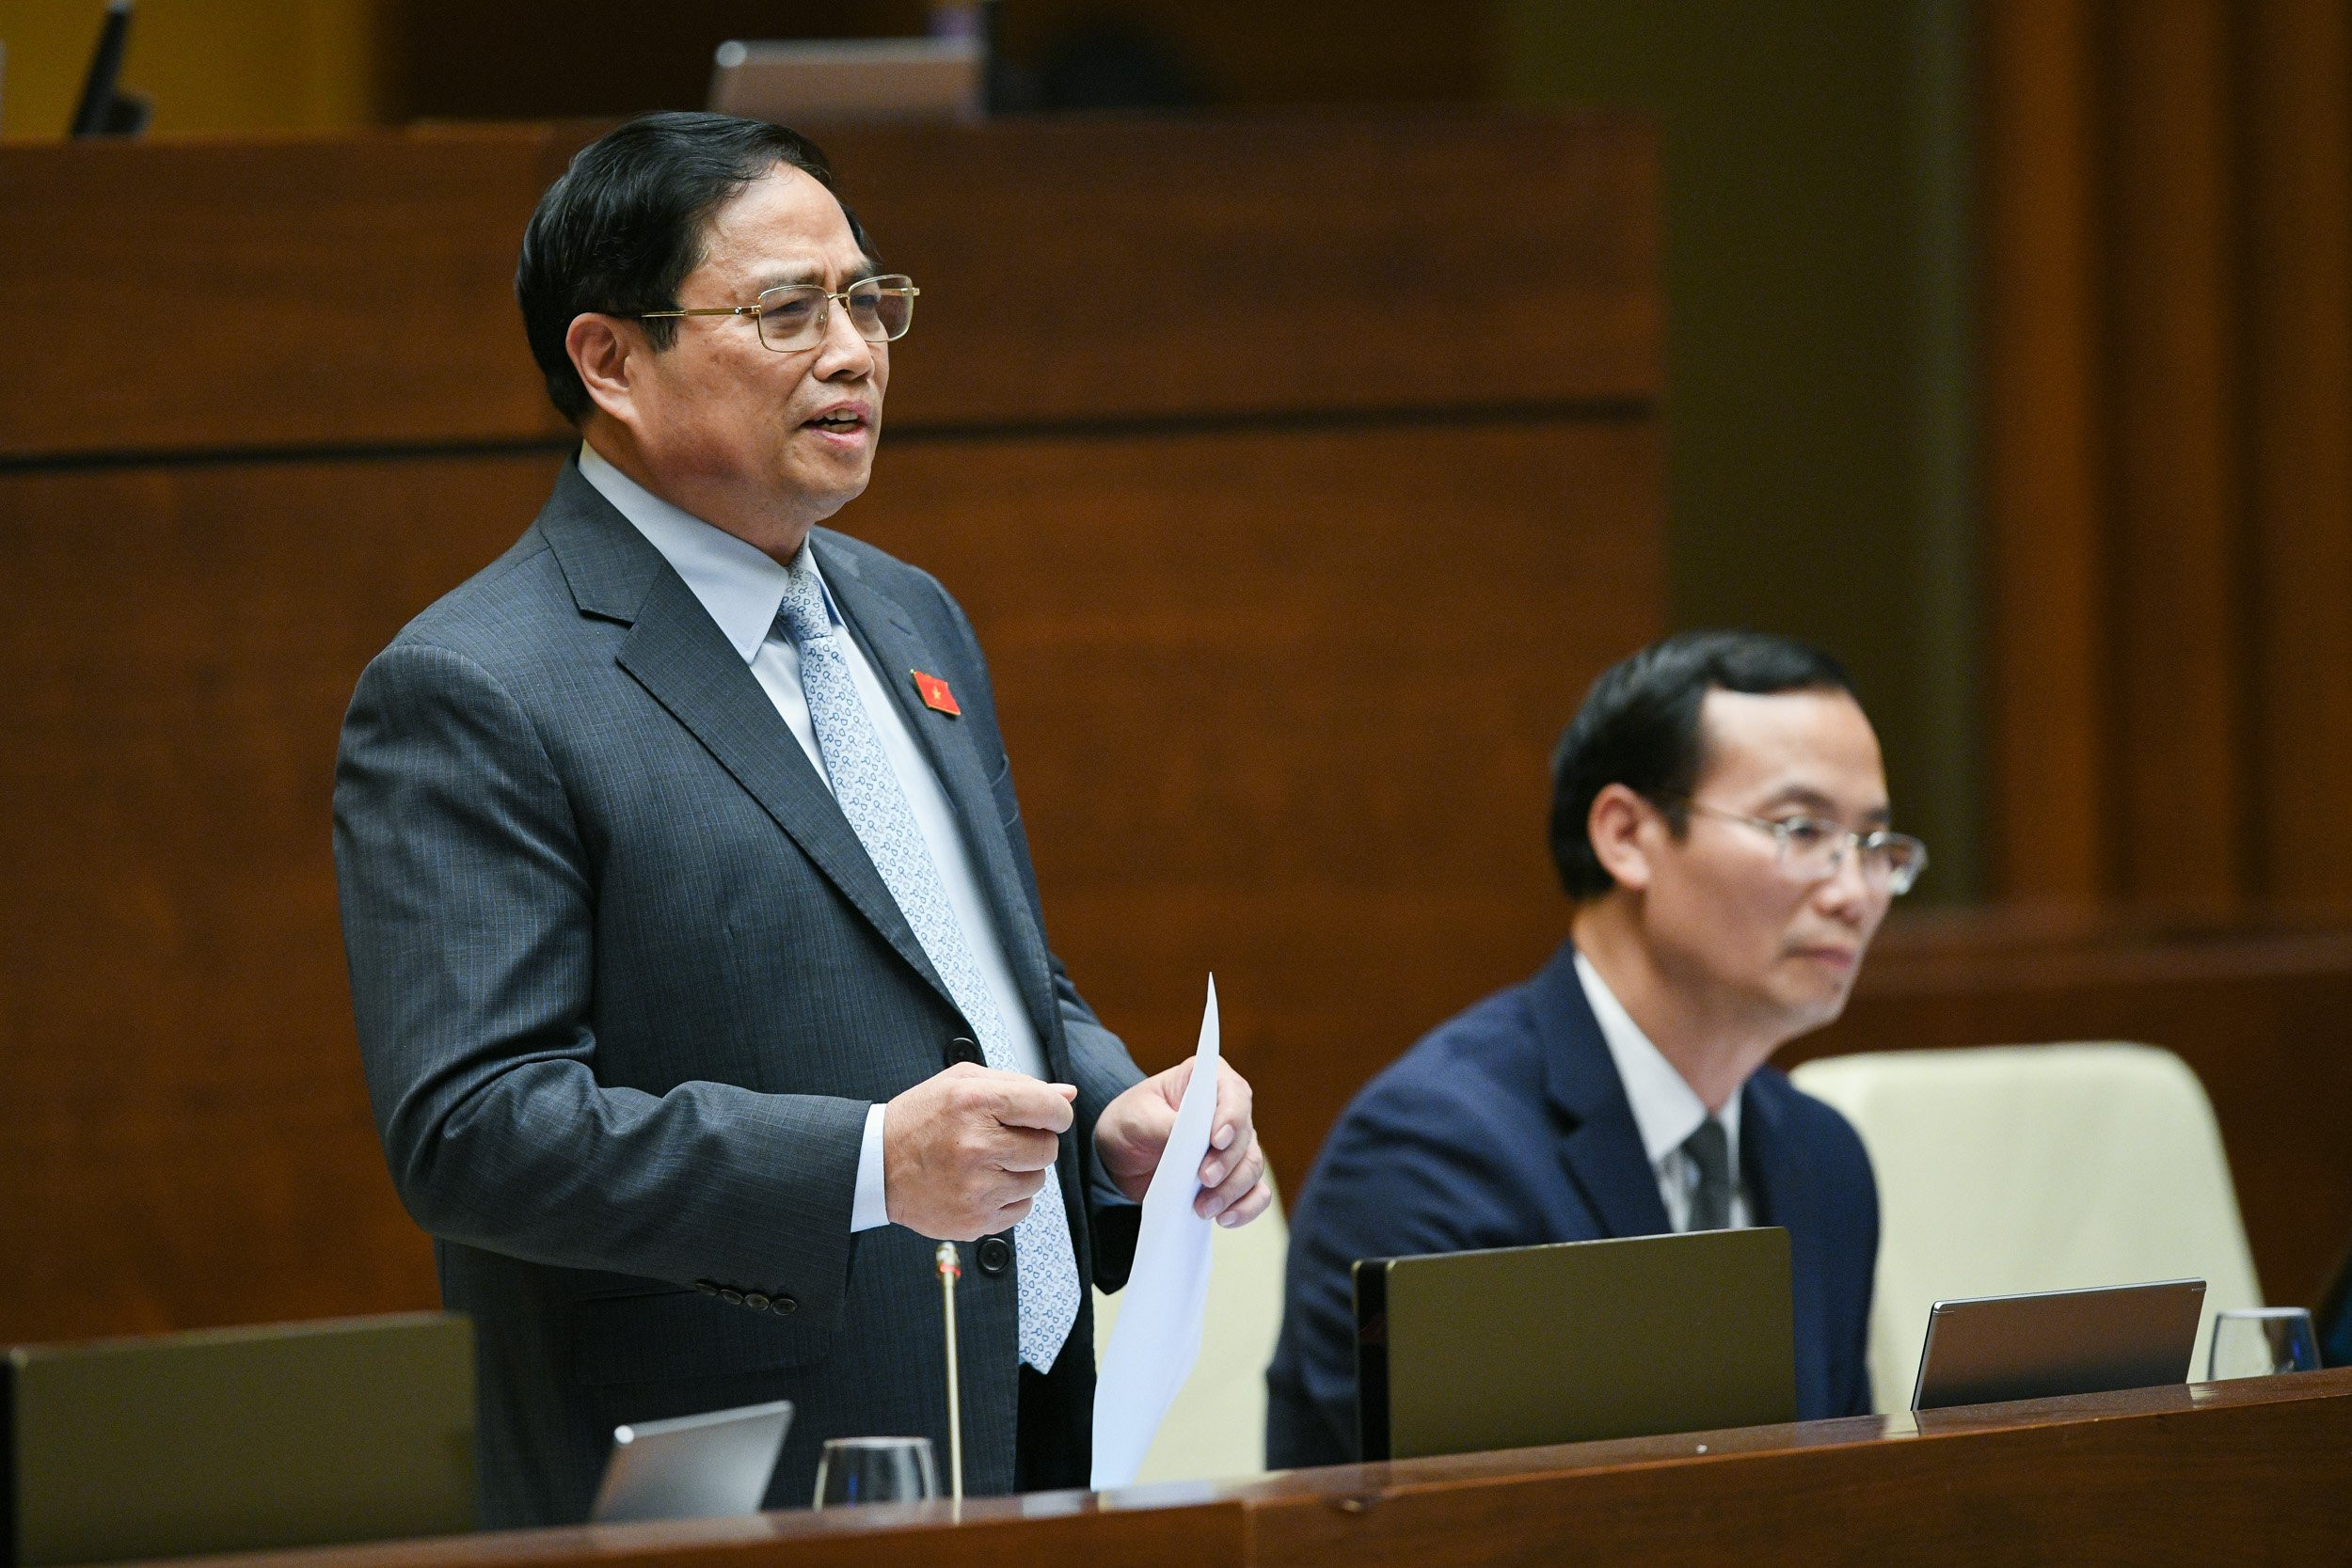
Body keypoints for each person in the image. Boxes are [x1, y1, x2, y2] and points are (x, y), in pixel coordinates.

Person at [332, 112, 1272, 1526]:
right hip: (731, 1481)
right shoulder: (476, 687)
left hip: (1023, 1425)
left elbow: (981, 973)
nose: (854, 352)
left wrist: (1108, 1114)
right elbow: (475, 1127)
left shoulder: (908, 612)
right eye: (787, 311)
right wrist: (865, 1164)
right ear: (610, 360)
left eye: (867, 300)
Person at [1265, 630, 1919, 1466]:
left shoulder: (1824, 1162)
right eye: (1801, 828)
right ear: (1625, 834)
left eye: (1874, 846)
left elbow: (1842, 1503)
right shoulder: (1432, 1153)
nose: (1854, 892)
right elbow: (1455, 1522)